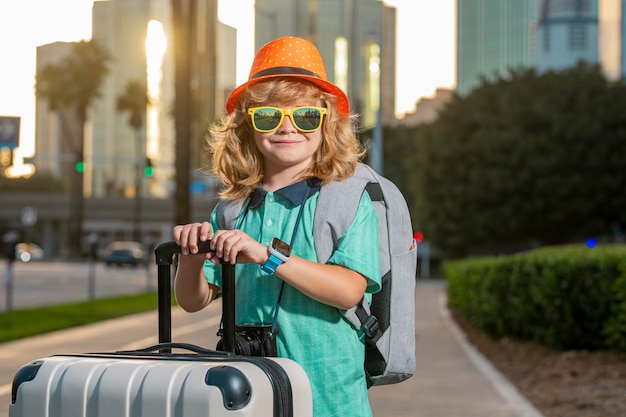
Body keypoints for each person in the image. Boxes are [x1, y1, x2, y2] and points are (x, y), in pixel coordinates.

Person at [173, 36, 381, 417]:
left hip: (329, 401)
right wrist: (191, 255)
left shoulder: (346, 200)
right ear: (247, 126)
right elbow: (193, 300)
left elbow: (349, 290)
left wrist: (265, 256)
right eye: (269, 116)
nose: (288, 128)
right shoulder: (232, 210)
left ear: (326, 125)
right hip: (248, 398)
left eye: (305, 117)